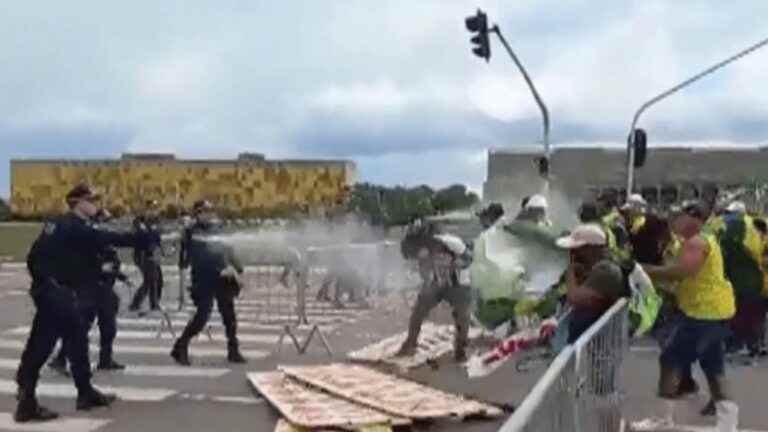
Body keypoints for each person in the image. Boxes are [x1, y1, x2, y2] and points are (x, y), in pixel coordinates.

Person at [15, 184, 146, 422]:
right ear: (77, 202)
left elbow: (74, 259)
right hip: (56, 295)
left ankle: (84, 393)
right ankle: (26, 402)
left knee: (77, 341)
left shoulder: (65, 225)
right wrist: (141, 238)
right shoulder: (72, 226)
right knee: (40, 346)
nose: (95, 203)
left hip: (61, 294)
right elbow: (106, 238)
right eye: (91, 199)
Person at [640, 202, 738, 431]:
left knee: (670, 359)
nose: (675, 222)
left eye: (679, 217)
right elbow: (688, 280)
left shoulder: (697, 241)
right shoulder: (703, 240)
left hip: (703, 313)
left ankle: (662, 419)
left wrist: (645, 270)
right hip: (713, 312)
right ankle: (728, 422)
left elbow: (682, 272)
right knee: (714, 367)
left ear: (694, 218)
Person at [47, 209, 130, 375]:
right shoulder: (88, 238)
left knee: (108, 326)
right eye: (105, 221)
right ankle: (60, 359)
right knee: (80, 327)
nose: (110, 224)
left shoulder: (105, 240)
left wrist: (120, 275)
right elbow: (83, 263)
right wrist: (101, 269)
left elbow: (111, 261)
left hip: (105, 288)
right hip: (90, 289)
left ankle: (105, 359)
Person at [171, 200, 247, 366]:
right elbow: (196, 257)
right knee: (202, 316)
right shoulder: (191, 232)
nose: (207, 214)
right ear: (197, 214)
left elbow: (228, 250)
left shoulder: (217, 228)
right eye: (203, 211)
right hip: (203, 279)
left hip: (223, 279)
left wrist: (238, 268)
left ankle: (233, 350)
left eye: (209, 211)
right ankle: (181, 346)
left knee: (229, 316)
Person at [396, 222, 472, 361]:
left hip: (457, 283)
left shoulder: (451, 243)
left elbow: (469, 258)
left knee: (462, 316)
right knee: (418, 312)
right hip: (435, 283)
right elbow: (416, 262)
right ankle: (411, 343)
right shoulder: (419, 247)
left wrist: (453, 264)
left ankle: (461, 349)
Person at [555, 224, 626, 343]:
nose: (572, 253)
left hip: (599, 343)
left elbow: (575, 298)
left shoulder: (606, 270)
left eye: (576, 249)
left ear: (590, 249)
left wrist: (570, 272)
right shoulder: (595, 268)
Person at [129, 200, 164, 311]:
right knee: (150, 279)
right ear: (146, 209)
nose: (153, 211)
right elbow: (140, 236)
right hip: (142, 254)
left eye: (155, 209)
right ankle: (141, 304)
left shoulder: (157, 221)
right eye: (150, 209)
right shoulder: (139, 221)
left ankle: (154, 302)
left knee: (158, 279)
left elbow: (157, 237)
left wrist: (159, 251)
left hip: (154, 254)